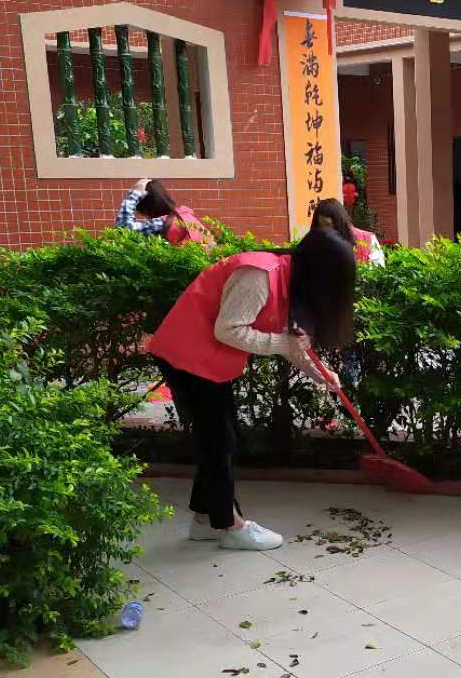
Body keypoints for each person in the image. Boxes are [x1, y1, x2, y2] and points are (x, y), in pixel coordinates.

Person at [146, 222, 356, 551]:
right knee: (219, 442)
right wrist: (284, 345)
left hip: (207, 358)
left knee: (220, 438)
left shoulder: (290, 282)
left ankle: (204, 519)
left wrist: (320, 373)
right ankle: (231, 527)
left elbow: (290, 342)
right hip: (186, 355)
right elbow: (228, 330)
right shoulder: (259, 277)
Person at [116, 179, 215, 248]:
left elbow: (123, 230)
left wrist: (134, 195)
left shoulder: (162, 223)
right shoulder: (186, 216)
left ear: (147, 207)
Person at [310, 198, 385, 266]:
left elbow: (376, 272)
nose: (324, 230)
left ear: (339, 222)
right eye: (319, 226)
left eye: (328, 224)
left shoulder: (367, 239)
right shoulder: (313, 245)